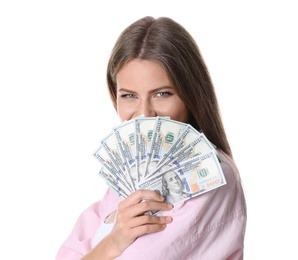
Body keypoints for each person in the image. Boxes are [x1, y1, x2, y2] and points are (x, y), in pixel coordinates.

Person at [56, 16, 247, 259]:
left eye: (162, 94)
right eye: (129, 96)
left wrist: (106, 247)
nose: (145, 114)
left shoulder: (209, 174)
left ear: (191, 95)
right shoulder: (130, 174)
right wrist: (114, 242)